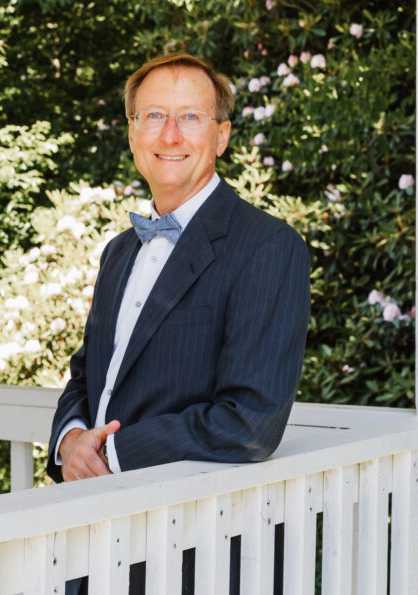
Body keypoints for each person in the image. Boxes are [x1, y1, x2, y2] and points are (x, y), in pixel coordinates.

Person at [46, 53, 310, 593]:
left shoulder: (269, 246)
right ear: (132, 133)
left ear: (221, 135)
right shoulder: (119, 251)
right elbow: (88, 377)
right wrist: (71, 441)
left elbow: (250, 421)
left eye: (190, 117)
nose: (170, 134)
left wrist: (112, 454)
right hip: (95, 540)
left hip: (195, 550)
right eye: (153, 116)